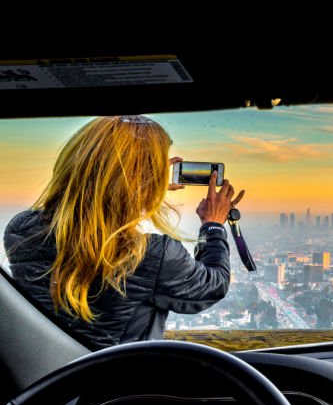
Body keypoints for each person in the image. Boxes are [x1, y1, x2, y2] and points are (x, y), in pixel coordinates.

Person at [3, 115, 245, 348]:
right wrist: (212, 224)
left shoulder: (21, 230)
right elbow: (214, 284)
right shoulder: (153, 256)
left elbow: (92, 223)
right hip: (117, 385)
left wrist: (145, 190)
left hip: (47, 380)